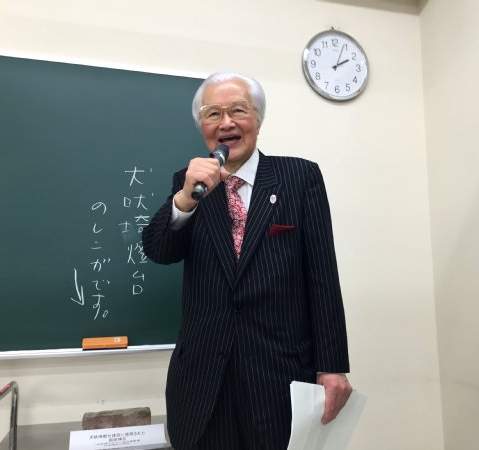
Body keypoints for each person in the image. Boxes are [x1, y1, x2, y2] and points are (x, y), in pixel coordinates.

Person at [142, 71, 352, 450]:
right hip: (203, 383)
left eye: (238, 110)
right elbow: (158, 251)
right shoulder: (189, 184)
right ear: (202, 126)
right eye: (213, 114)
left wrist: (332, 365)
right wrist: (184, 200)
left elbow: (322, 276)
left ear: (258, 119)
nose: (226, 123)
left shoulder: (299, 177)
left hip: (280, 377)